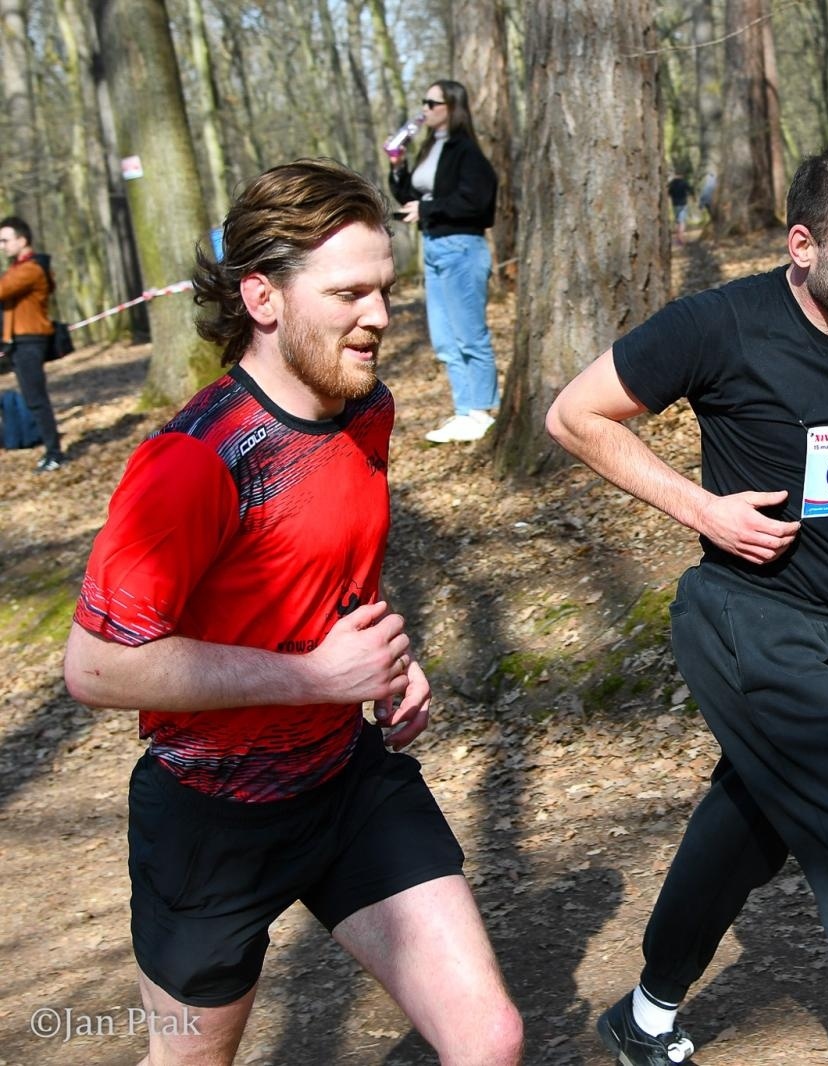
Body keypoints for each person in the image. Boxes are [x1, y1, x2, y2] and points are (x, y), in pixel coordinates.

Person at [63, 160, 523, 1066]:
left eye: (385, 289)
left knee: (490, 1040)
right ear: (263, 297)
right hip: (210, 820)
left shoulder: (368, 411)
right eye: (349, 292)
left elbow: (332, 577)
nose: (382, 317)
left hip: (344, 779)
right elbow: (96, 666)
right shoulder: (194, 460)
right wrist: (315, 676)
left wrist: (386, 661)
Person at [547, 145, 828, 1066]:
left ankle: (648, 1013)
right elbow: (574, 414)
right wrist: (703, 510)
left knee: (748, 817)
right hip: (745, 620)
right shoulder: (721, 325)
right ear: (803, 244)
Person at [388, 79, 500, 444]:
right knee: (445, 339)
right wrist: (397, 166)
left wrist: (429, 207)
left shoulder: (465, 151)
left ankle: (482, 412)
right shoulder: (430, 148)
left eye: (432, 102)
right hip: (434, 248)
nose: (425, 109)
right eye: (423, 102)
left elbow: (478, 202)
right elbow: (410, 197)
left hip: (462, 248)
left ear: (451, 107)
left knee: (470, 335)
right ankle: (464, 410)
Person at [0, 216, 66, 471]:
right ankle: (50, 450)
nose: (3, 246)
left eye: (5, 240)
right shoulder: (20, 268)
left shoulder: (31, 269)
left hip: (30, 341)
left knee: (37, 399)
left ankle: (54, 453)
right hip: (19, 341)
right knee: (32, 398)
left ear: (22, 240)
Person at [667, 172, 691, 243]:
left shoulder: (672, 183)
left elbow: (668, 193)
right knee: (682, 221)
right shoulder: (684, 182)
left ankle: (678, 237)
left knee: (677, 221)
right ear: (681, 175)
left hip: (675, 205)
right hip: (683, 204)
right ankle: (680, 238)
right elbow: (690, 189)